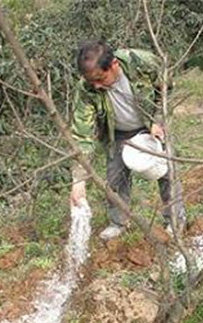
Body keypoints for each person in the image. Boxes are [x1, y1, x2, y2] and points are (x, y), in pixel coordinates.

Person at [69, 39, 185, 240]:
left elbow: (166, 89)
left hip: (152, 127)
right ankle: (118, 223)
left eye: (100, 78)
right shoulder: (87, 88)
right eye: (91, 81)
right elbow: (82, 134)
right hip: (118, 133)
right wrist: (78, 181)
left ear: (114, 64)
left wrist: (158, 120)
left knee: (167, 173)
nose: (96, 85)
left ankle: (175, 222)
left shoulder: (143, 63)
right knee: (115, 179)